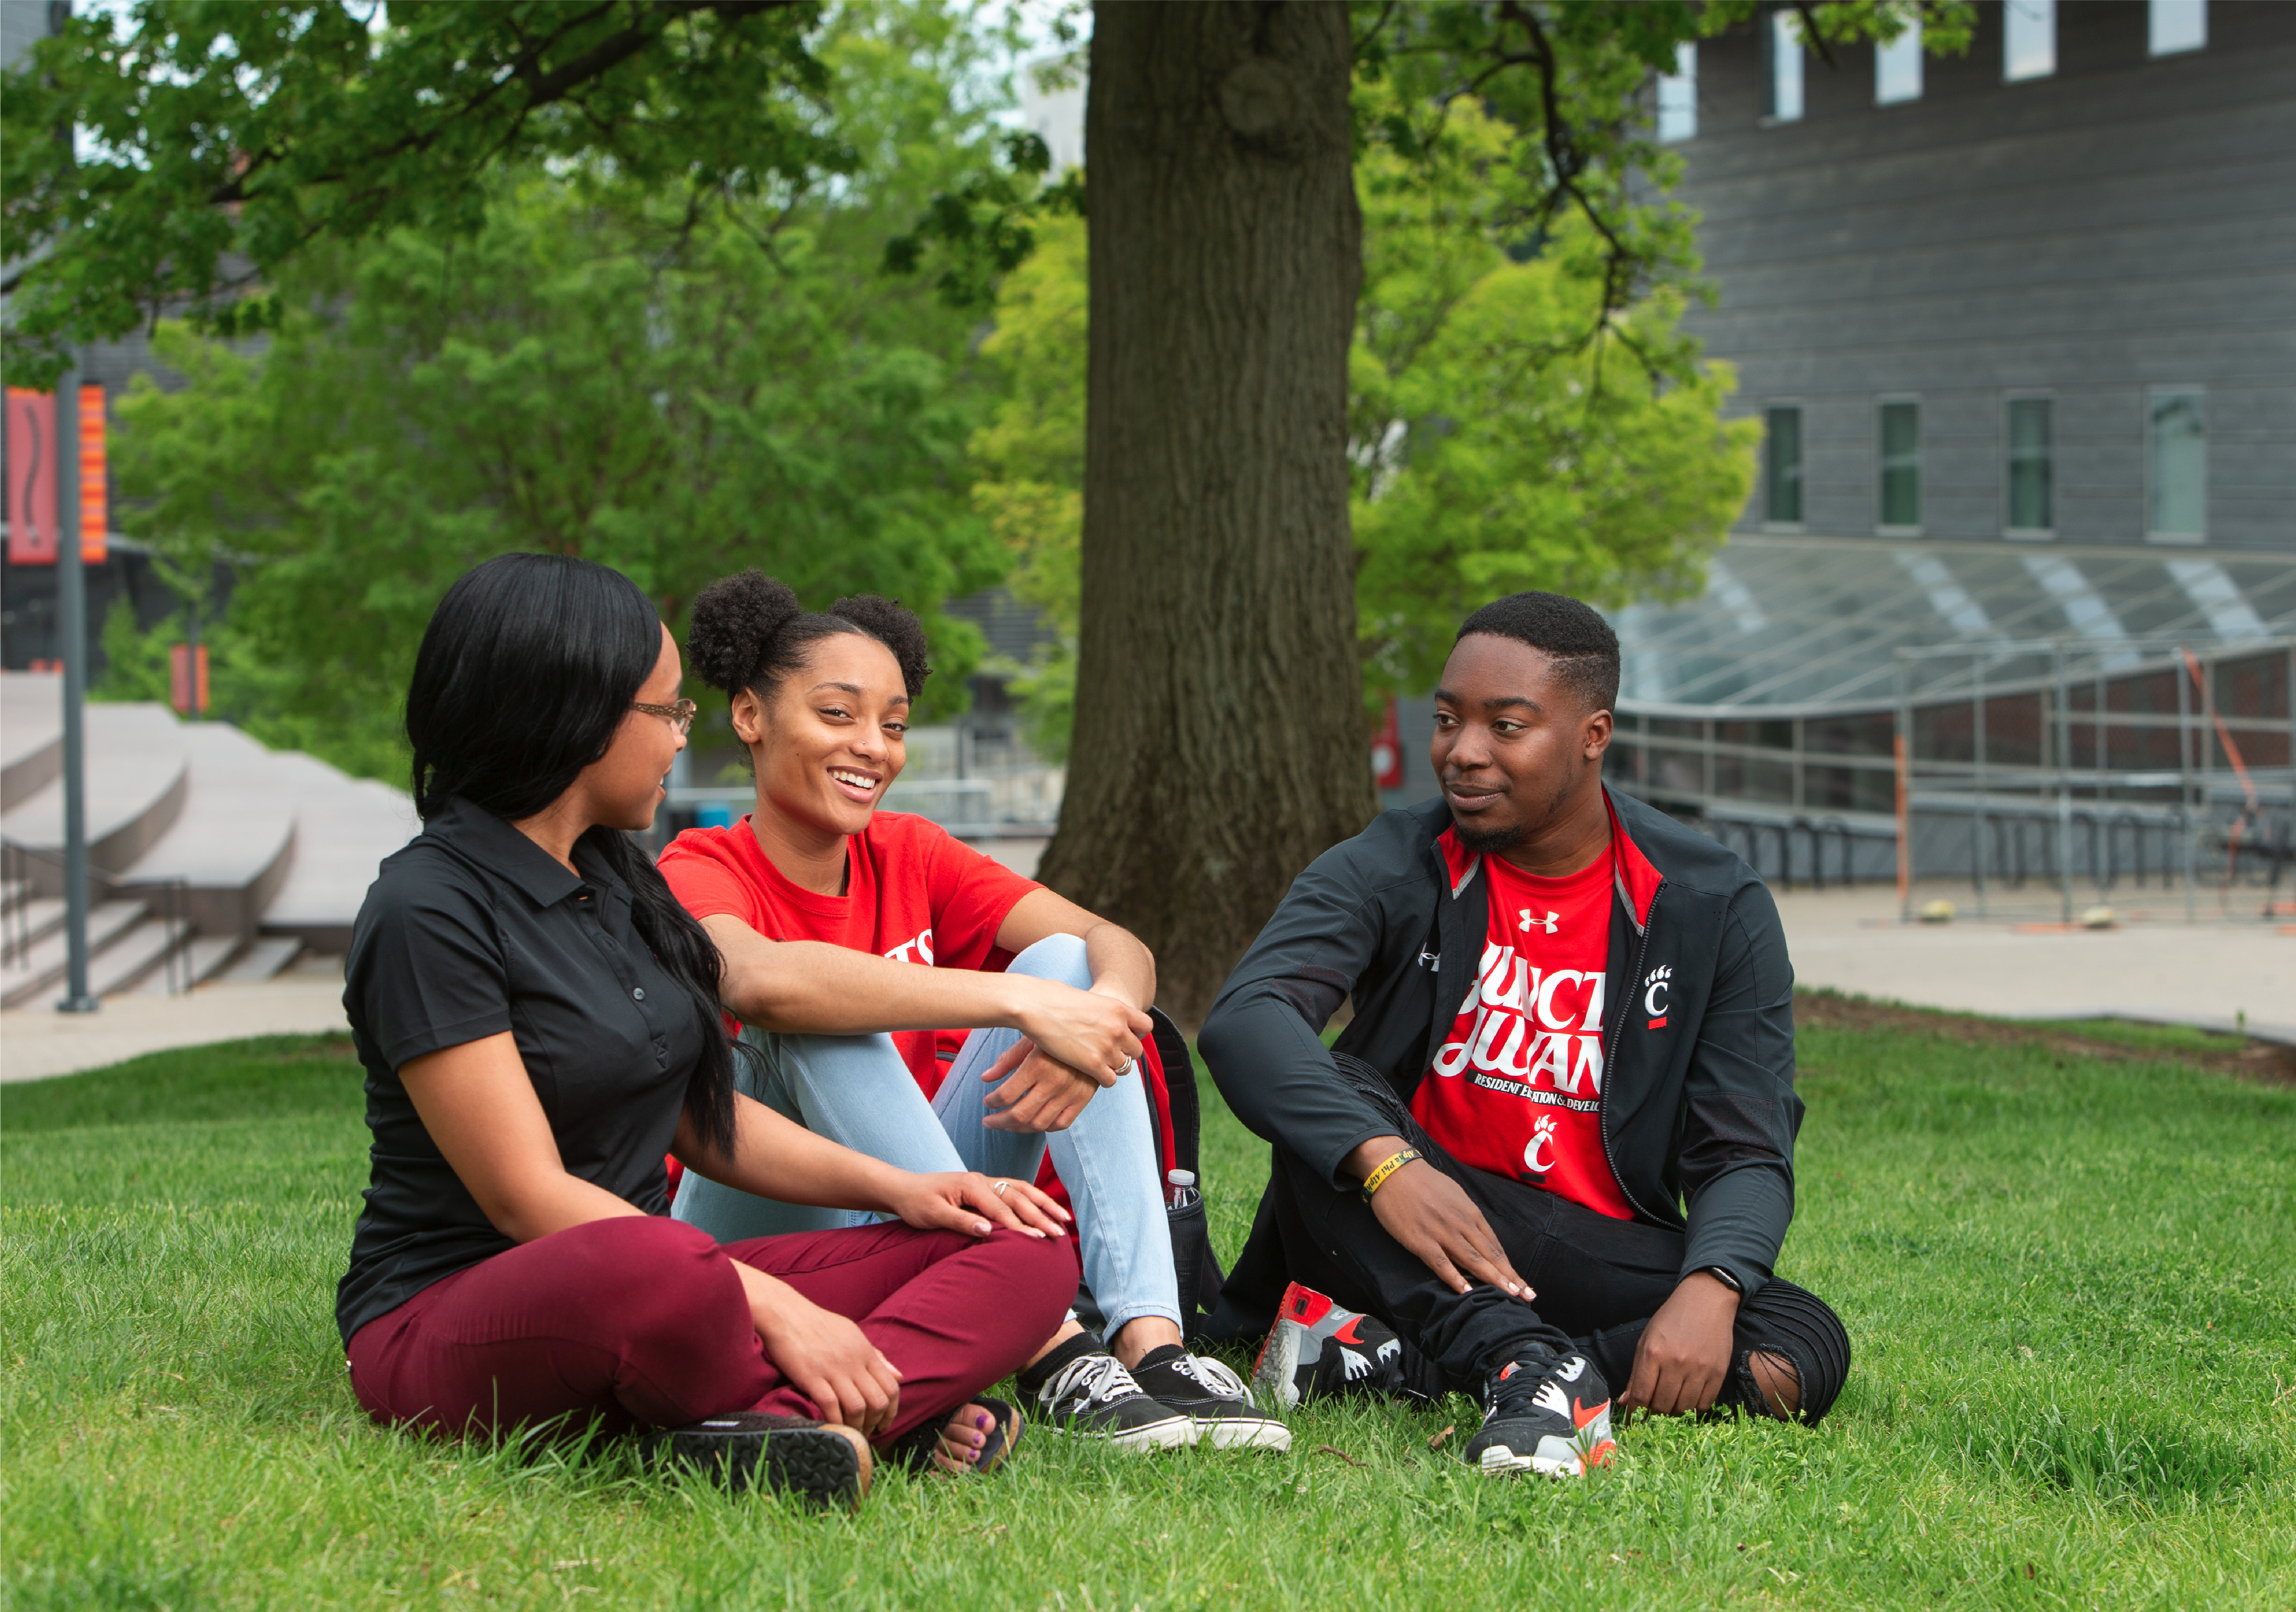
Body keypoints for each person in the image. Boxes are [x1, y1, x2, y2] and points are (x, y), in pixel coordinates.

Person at [338, 552, 1081, 1509]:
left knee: (1017, 1245)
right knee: (666, 1271)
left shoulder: (617, 877)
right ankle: (861, 1400)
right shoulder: (427, 907)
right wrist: (772, 1304)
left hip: (664, 1281)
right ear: (574, 711)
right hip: (467, 1304)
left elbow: (702, 1118)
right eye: (668, 713)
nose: (683, 741)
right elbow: (526, 1197)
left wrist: (916, 1188)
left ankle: (777, 1427)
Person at [1201, 591, 1851, 1478]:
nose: (1464, 752)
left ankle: (1413, 1363)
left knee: (1797, 1340)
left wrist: (1715, 1284)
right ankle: (1528, 1366)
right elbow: (1248, 1018)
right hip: (1399, 1223)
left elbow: (1745, 1143)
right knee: (1338, 1105)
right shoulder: (1395, 859)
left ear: (1593, 734)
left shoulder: (1709, 902)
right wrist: (1390, 1165)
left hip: (1579, 1238)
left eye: (1506, 726)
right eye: (1447, 720)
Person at [657, 570, 1286, 1452]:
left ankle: (1151, 1343)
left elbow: (1117, 944)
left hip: (926, 1208)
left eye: (895, 724)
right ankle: (1050, 1344)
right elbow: (756, 979)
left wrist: (1092, 1016)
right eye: (837, 714)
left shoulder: (913, 852)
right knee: (809, 1006)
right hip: (771, 1233)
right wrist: (1020, 1001)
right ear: (750, 716)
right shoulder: (700, 863)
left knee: (1072, 964)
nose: (873, 746)